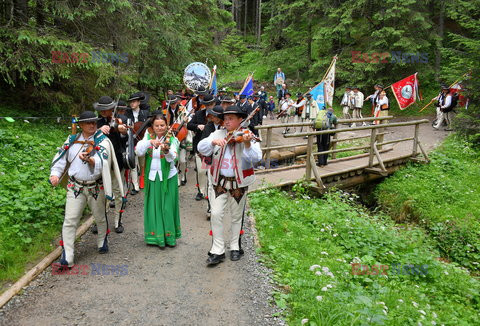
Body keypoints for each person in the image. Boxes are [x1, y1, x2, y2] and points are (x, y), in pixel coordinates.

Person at [49, 111, 125, 267]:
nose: (92, 125)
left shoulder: (102, 140)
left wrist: (91, 160)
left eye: (94, 122)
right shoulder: (71, 140)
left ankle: (102, 240)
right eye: (88, 122)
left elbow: (103, 161)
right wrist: (55, 175)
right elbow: (61, 159)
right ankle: (68, 255)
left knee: (99, 217)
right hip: (75, 187)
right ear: (80, 125)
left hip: (95, 187)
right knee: (70, 220)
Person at [198, 105, 262, 265]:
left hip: (239, 183)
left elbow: (256, 158)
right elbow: (202, 148)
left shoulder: (248, 134)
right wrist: (212, 142)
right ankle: (217, 250)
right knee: (216, 214)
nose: (226, 122)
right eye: (225, 119)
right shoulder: (218, 133)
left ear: (241, 120)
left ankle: (235, 247)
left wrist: (247, 144)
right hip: (218, 182)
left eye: (231, 118)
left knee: (236, 217)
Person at [135, 114, 181, 248]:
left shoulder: (172, 139)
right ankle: (154, 237)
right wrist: (150, 142)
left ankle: (169, 237)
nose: (160, 128)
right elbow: (138, 151)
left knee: (167, 207)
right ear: (152, 126)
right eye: (156, 125)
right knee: (153, 206)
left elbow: (173, 158)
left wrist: (166, 151)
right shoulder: (148, 137)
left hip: (168, 177)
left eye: (162, 125)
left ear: (167, 125)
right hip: (152, 176)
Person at [94, 96, 129, 233]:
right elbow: (90, 139)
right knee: (100, 194)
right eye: (102, 110)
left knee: (118, 191)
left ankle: (117, 221)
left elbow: (125, 137)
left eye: (106, 109)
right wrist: (98, 131)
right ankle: (99, 221)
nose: (104, 112)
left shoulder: (121, 119)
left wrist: (123, 131)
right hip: (101, 162)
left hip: (117, 161)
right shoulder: (95, 123)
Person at [187, 94, 216, 201]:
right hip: (200, 147)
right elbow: (189, 125)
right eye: (207, 104)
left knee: (211, 171)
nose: (209, 106)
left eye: (211, 104)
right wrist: (197, 126)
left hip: (214, 148)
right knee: (201, 171)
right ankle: (201, 191)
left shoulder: (218, 115)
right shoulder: (199, 113)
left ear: (214, 104)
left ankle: (211, 191)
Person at [126, 92, 150, 195]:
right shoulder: (126, 114)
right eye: (131, 102)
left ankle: (143, 182)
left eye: (134, 101)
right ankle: (135, 185)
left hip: (142, 141)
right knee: (133, 164)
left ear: (139, 102)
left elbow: (149, 128)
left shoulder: (145, 113)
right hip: (131, 141)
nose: (132, 103)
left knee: (143, 163)